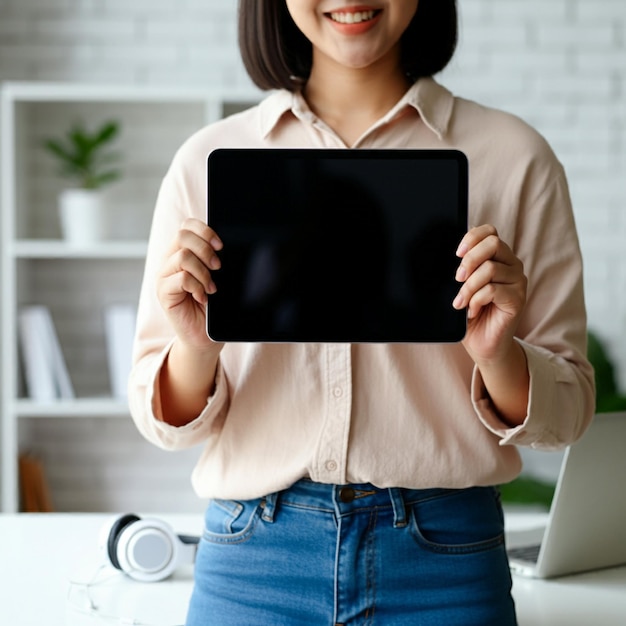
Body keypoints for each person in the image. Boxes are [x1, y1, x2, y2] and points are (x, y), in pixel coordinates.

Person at [129, 1, 596, 624]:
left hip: (446, 562)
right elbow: (158, 416)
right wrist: (196, 348)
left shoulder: (515, 157)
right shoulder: (207, 159)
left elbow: (569, 413)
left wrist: (497, 355)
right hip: (254, 561)